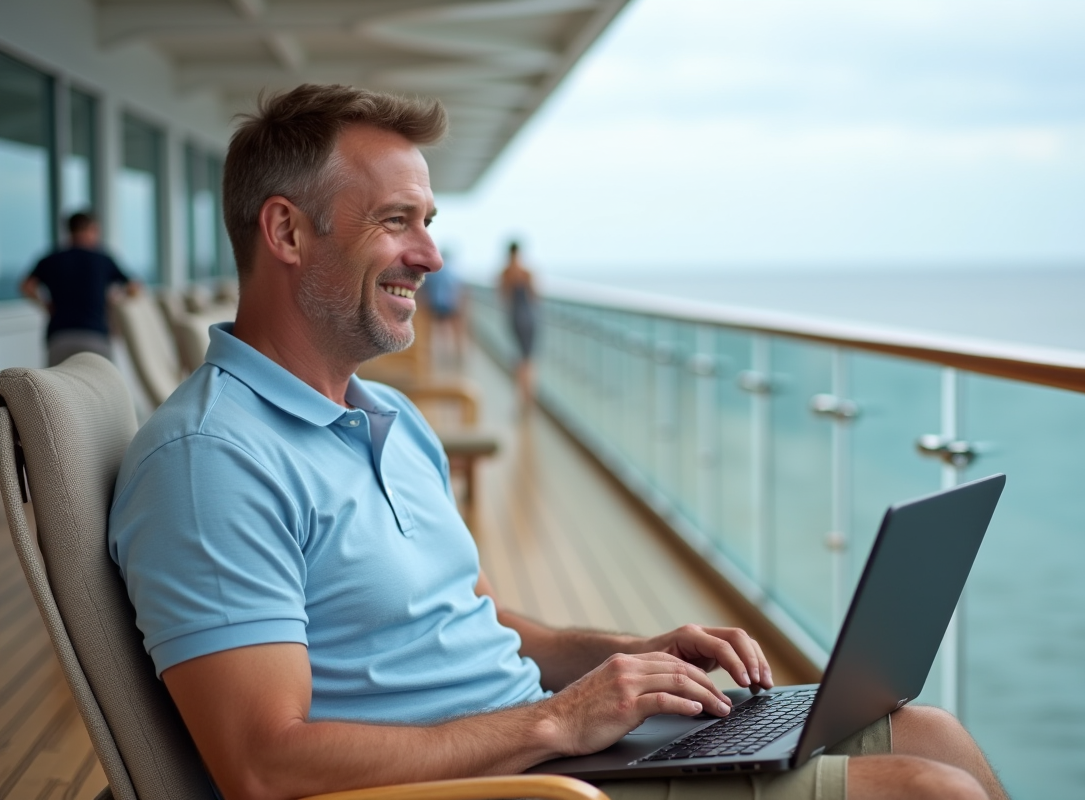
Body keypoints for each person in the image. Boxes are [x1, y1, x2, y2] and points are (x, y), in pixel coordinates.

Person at [108, 84, 1007, 800]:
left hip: (548, 747)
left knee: (933, 732)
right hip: (501, 785)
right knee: (928, 790)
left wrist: (635, 654)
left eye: (428, 222)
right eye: (396, 220)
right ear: (286, 231)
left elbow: (479, 622)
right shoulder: (211, 462)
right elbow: (263, 763)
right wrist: (558, 723)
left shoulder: (390, 418)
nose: (431, 257)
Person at [21, 211, 140, 365]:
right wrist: (113, 301)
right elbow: (134, 287)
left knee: (56, 381)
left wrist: (46, 305)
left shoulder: (51, 259)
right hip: (95, 335)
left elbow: (26, 286)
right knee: (101, 380)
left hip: (60, 336)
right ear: (91, 229)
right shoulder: (102, 259)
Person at [498, 240, 538, 408]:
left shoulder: (505, 273)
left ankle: (521, 394)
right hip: (528, 315)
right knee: (529, 357)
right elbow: (534, 296)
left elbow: (503, 297)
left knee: (518, 356)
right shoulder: (526, 272)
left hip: (514, 316)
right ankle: (528, 395)